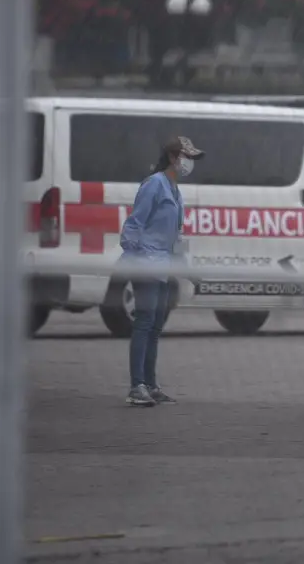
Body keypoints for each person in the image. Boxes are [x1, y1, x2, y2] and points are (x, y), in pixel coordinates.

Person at [118, 135, 203, 406]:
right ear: (172, 157)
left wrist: (187, 270)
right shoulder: (154, 185)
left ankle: (151, 384)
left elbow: (176, 238)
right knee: (144, 324)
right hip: (146, 264)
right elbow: (134, 224)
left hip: (163, 266)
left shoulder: (175, 191)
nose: (189, 163)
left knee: (154, 327)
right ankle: (136, 387)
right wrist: (134, 259)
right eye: (186, 157)